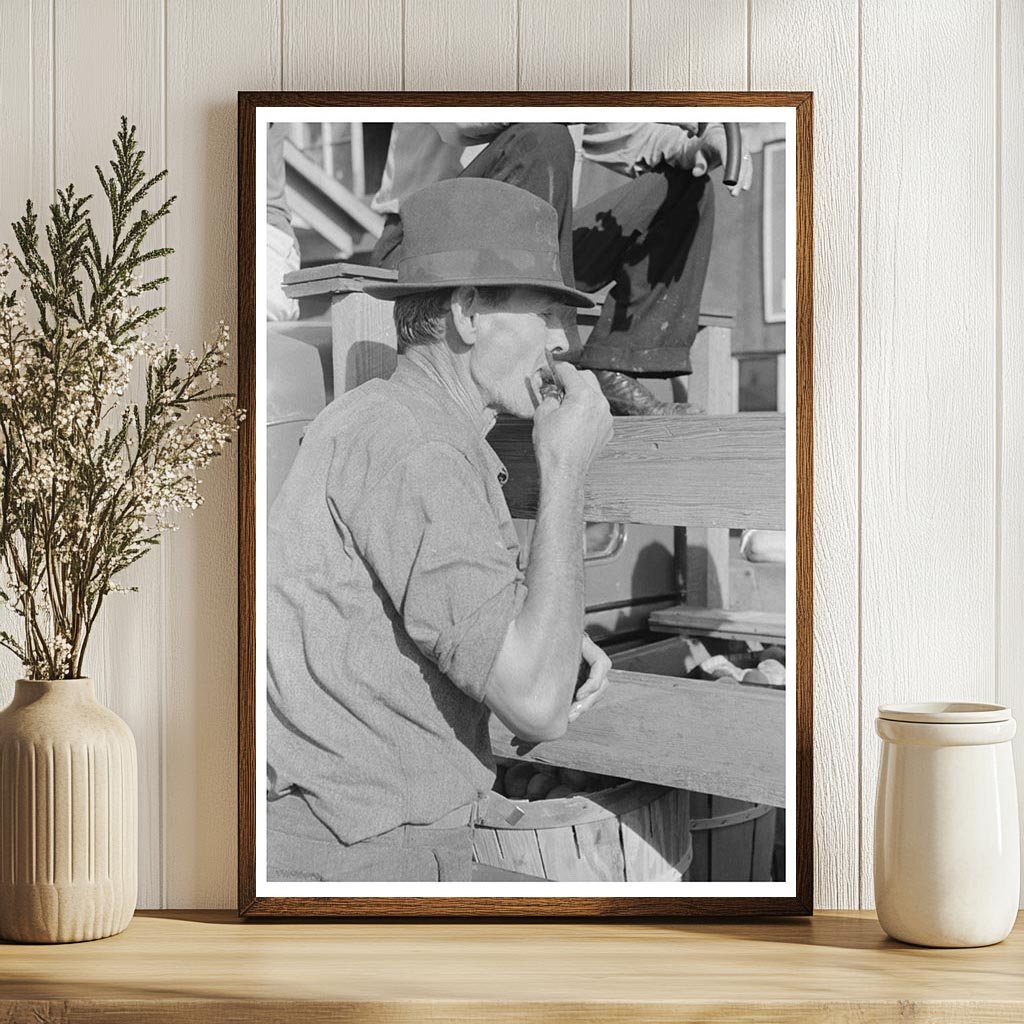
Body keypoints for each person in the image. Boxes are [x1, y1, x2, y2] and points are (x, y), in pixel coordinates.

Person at [266, 177, 614, 882]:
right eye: (546, 312)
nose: (566, 341)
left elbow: (406, 608)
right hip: (373, 859)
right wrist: (567, 468)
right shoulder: (423, 449)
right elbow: (539, 705)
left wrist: (541, 625)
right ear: (466, 314)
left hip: (338, 834)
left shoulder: (374, 417)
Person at [371, 122, 753, 415]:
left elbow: (618, 132)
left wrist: (692, 145)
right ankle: (557, 361)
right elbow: (459, 121)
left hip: (536, 242)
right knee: (544, 138)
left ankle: (614, 365)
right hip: (427, 246)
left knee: (685, 181)